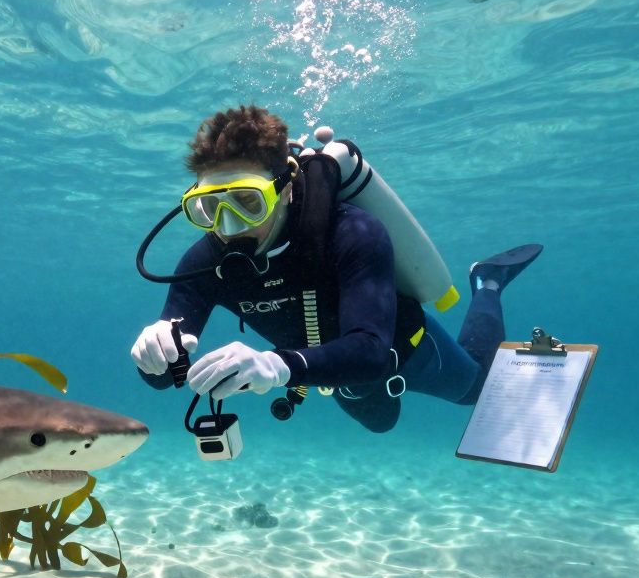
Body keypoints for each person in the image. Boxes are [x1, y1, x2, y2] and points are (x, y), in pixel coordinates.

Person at [130, 105, 541, 432]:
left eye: (248, 202)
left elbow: (371, 351)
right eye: (209, 207)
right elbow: (167, 377)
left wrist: (276, 366)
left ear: (284, 188)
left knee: (474, 389)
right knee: (381, 423)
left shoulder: (353, 232)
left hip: (401, 348)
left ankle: (487, 282)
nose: (230, 226)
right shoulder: (205, 262)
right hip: (330, 371)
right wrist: (154, 357)